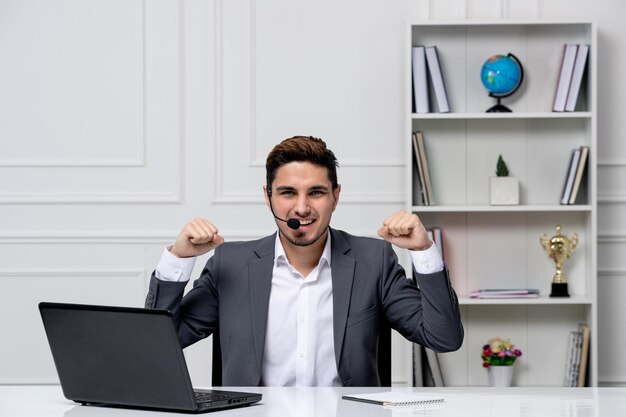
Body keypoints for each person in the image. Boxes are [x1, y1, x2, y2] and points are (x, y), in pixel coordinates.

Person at [145, 136, 463, 387]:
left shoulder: (373, 261)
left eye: (316, 193)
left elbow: (443, 338)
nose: (302, 208)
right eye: (287, 193)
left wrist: (423, 250)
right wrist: (179, 259)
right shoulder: (231, 263)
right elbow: (157, 347)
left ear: (335, 196)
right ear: (267, 196)